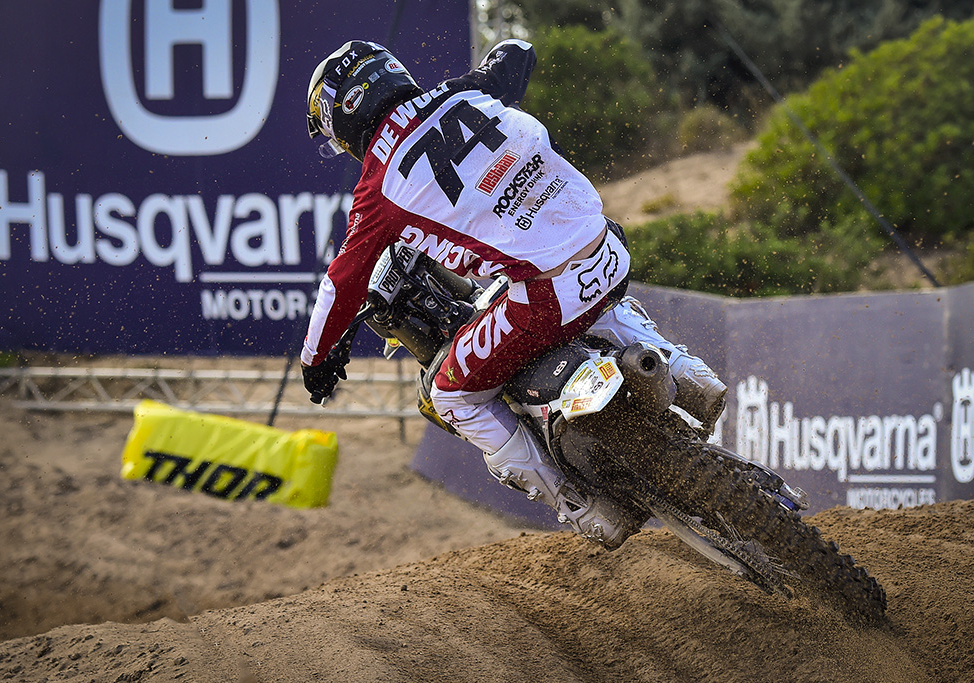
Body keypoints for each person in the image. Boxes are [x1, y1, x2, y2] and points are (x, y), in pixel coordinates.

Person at [301, 39, 726, 550]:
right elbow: (518, 48)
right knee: (579, 291)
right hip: (609, 248)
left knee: (450, 394)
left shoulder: (379, 187)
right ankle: (684, 371)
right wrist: (487, 72)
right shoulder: (467, 93)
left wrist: (315, 360)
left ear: (344, 114)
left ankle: (580, 504)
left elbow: (341, 283)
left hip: (546, 297)